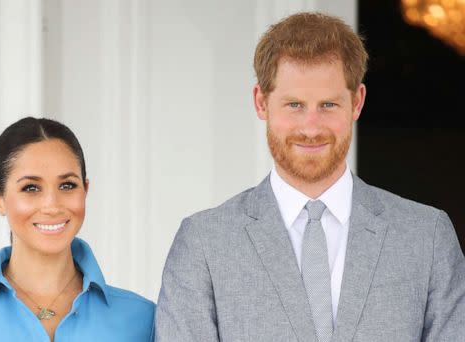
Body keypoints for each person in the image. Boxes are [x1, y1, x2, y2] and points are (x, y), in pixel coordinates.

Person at [155, 12, 464, 342]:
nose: (311, 128)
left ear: (357, 102)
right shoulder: (204, 243)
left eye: (328, 104)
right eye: (294, 105)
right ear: (261, 102)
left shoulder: (427, 238)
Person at [0, 117, 155, 341]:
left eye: (68, 185)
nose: (52, 205)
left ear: (85, 190)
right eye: (31, 188)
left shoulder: (144, 320)